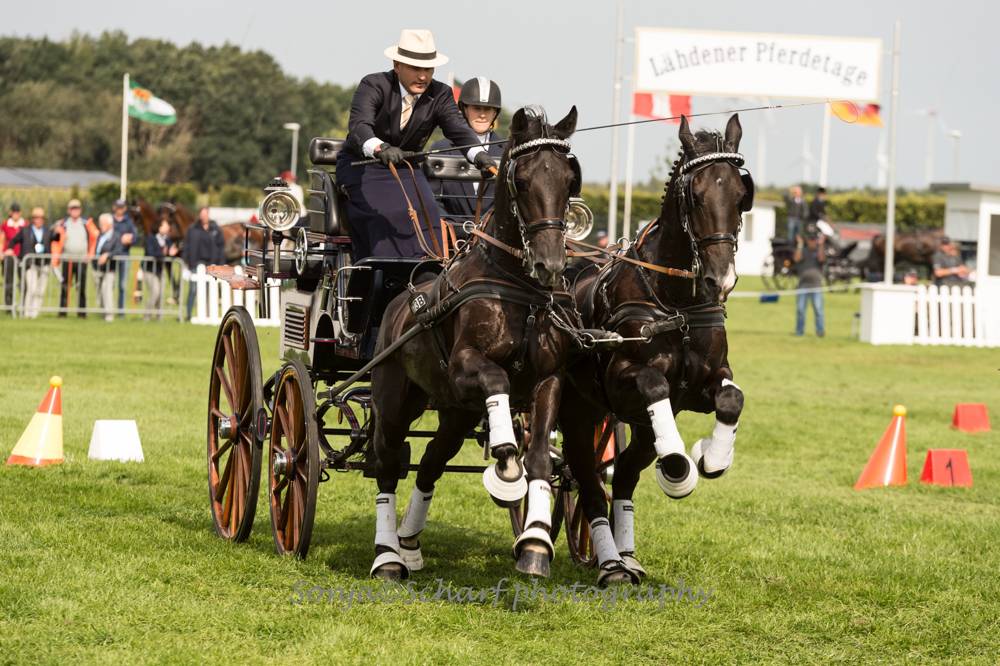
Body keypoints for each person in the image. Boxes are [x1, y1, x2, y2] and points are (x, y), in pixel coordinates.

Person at [337, 29, 496, 260]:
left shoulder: (440, 94)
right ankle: (385, 273)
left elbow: (459, 129)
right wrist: (380, 148)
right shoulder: (374, 84)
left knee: (429, 212)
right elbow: (359, 126)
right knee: (391, 213)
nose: (423, 76)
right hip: (363, 167)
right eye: (415, 68)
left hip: (406, 168)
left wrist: (478, 155)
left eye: (428, 69)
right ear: (397, 65)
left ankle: (429, 271)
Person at [427, 77, 506, 229]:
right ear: (464, 109)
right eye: (477, 108)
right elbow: (432, 199)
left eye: (487, 109)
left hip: (495, 237)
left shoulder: (507, 152)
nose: (482, 115)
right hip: (450, 235)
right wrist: (451, 228)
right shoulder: (441, 149)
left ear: (495, 112)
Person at [51, 199, 98, 318]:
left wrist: (90, 254)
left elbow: (95, 237)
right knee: (65, 286)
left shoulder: (86, 223)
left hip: (82, 260)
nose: (75, 211)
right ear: (69, 210)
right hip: (67, 259)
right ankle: (62, 312)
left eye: (77, 209)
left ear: (80, 210)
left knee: (81, 287)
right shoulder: (63, 224)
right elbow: (54, 238)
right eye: (72, 209)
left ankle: (82, 312)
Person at [183, 207, 225, 320]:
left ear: (208, 215)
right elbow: (187, 246)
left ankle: (207, 314)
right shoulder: (192, 229)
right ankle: (188, 314)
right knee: (193, 290)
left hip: (211, 265)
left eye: (205, 214)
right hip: (195, 264)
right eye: (202, 214)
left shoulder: (215, 229)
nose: (204, 217)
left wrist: (220, 264)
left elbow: (221, 248)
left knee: (209, 290)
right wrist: (186, 263)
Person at [13, 207, 55, 318]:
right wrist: (9, 249)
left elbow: (56, 238)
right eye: (36, 218)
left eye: (41, 218)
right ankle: (27, 312)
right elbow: (13, 241)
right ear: (33, 219)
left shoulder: (48, 231)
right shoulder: (25, 230)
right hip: (30, 264)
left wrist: (59, 232)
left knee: (40, 290)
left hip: (44, 264)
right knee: (32, 288)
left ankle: (35, 313)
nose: (39, 220)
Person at [794, 222, 825, 337]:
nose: (812, 241)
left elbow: (822, 259)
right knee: (800, 310)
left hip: (816, 286)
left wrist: (821, 245)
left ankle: (820, 331)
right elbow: (796, 259)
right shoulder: (803, 250)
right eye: (810, 239)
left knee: (818, 310)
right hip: (803, 285)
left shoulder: (819, 251)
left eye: (814, 239)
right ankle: (799, 332)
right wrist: (800, 244)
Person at [143, 218, 179, 320]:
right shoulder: (150, 238)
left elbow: (170, 253)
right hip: (150, 270)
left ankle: (159, 316)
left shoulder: (167, 239)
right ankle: (147, 315)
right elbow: (150, 252)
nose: (168, 227)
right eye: (165, 225)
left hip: (160, 270)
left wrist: (172, 252)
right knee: (155, 292)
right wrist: (163, 253)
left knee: (161, 294)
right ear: (159, 226)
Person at [109, 198, 138, 316]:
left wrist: (130, 239)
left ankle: (121, 311)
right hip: (111, 256)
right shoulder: (110, 220)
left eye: (121, 207)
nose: (119, 210)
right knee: (110, 284)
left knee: (122, 285)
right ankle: (108, 309)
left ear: (125, 209)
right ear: (114, 207)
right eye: (118, 207)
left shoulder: (129, 222)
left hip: (124, 256)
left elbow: (135, 236)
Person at [92, 214, 122, 322]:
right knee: (99, 291)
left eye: (103, 223)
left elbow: (119, 250)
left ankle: (109, 315)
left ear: (109, 224)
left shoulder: (116, 236)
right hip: (97, 268)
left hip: (109, 269)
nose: (100, 225)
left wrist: (108, 255)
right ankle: (103, 312)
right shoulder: (100, 235)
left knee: (107, 289)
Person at [2, 202, 26, 311]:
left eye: (17, 212)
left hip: (22, 257)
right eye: (14, 212)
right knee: (9, 281)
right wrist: (2, 252)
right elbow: (2, 240)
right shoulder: (5, 225)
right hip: (9, 257)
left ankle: (23, 305)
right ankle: (9, 306)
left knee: (24, 281)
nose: (16, 214)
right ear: (11, 213)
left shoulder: (25, 225)